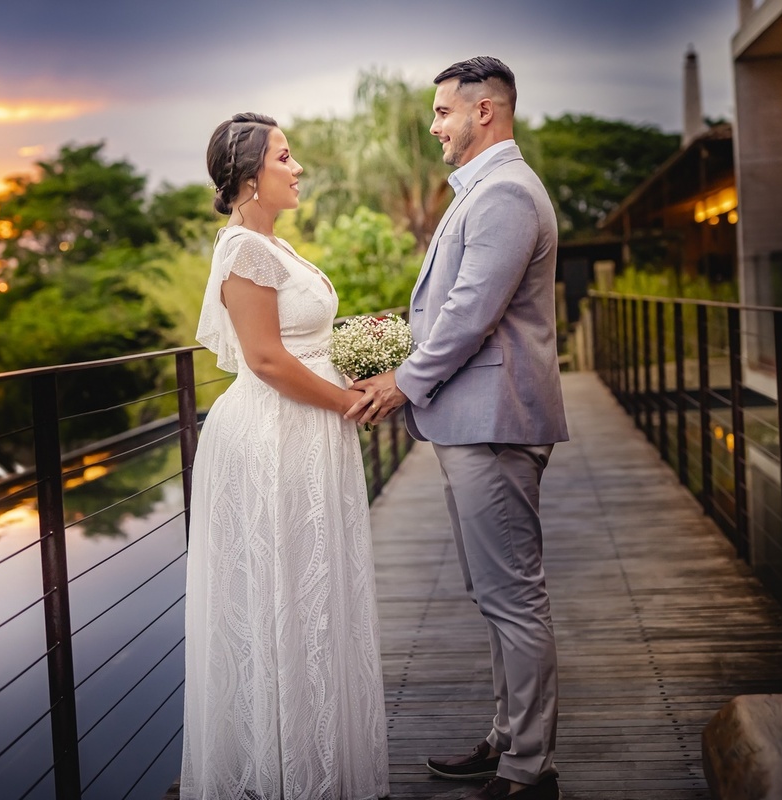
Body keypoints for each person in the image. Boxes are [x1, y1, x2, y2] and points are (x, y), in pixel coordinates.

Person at [348, 56, 568, 800]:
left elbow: (470, 313)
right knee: (495, 591)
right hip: (473, 421)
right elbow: (453, 307)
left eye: (443, 111)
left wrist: (400, 380)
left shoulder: (505, 193)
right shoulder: (485, 189)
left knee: (514, 596)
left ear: (485, 112)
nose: (433, 124)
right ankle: (508, 738)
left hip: (493, 422)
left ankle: (528, 769)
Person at [180, 112, 390, 800]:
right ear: (248, 177)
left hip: (307, 433)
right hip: (274, 436)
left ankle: (317, 752)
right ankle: (280, 770)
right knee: (283, 591)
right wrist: (347, 403)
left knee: (314, 590)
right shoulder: (243, 249)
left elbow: (304, 340)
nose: (296, 168)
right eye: (284, 157)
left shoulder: (277, 247)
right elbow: (267, 359)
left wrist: (367, 351)